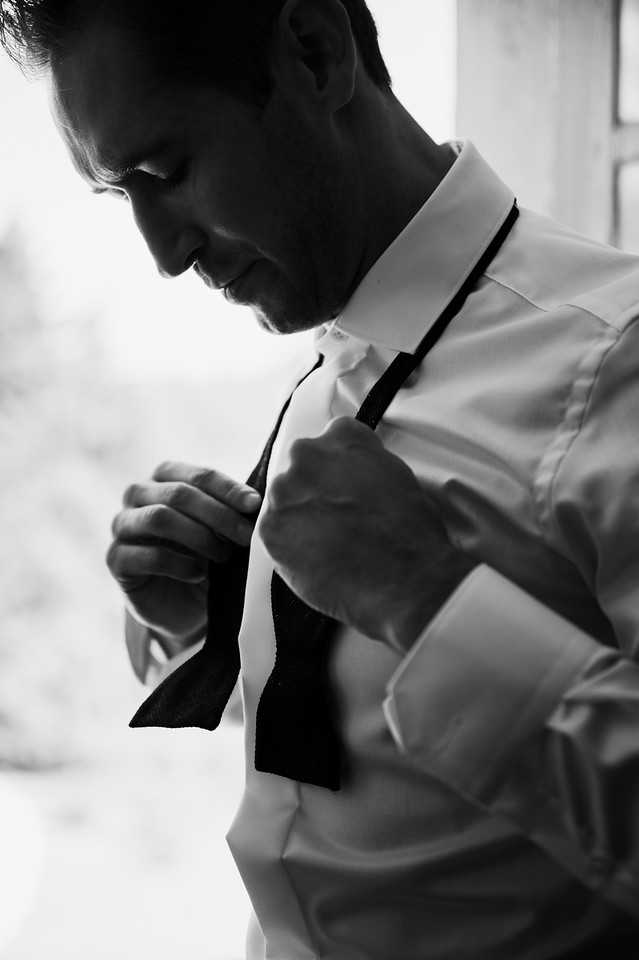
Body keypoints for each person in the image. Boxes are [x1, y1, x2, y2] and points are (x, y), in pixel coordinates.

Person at [2, 0, 639, 956]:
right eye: (119, 194)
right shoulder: (333, 355)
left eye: (166, 171)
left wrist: (428, 603)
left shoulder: (613, 363)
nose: (163, 255)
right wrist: (202, 616)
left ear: (313, 50)